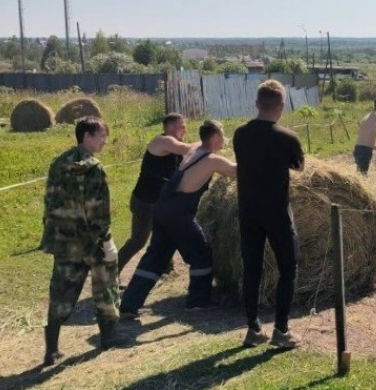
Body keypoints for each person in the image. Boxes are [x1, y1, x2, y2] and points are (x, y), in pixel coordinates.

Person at [120, 120, 236, 317]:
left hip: (162, 208)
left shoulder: (194, 151)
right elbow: (235, 172)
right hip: (179, 214)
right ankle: (198, 301)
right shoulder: (211, 160)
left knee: (155, 257)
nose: (224, 139)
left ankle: (128, 305)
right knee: (201, 252)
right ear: (215, 137)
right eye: (222, 135)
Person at [39, 116, 129, 366]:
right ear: (87, 136)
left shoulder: (58, 163)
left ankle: (51, 349)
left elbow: (50, 201)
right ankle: (109, 336)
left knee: (61, 292)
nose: (104, 141)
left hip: (64, 240)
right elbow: (97, 209)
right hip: (91, 241)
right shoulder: (93, 167)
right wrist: (103, 239)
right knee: (106, 286)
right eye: (101, 136)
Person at [234, 79, 305, 349]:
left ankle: (253, 329)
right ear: (281, 106)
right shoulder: (287, 137)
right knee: (288, 267)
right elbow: (299, 167)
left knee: (251, 269)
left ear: (257, 104)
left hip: (248, 211)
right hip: (277, 212)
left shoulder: (240, 134)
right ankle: (281, 330)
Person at [117, 113, 199, 279]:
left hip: (159, 202)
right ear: (170, 128)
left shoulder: (175, 148)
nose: (185, 129)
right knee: (138, 241)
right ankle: (110, 276)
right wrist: (208, 140)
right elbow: (188, 149)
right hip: (145, 202)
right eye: (181, 126)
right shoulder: (163, 141)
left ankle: (166, 270)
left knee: (166, 234)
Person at [353, 96, 376, 174]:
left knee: (360, 174)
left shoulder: (368, 115)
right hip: (364, 150)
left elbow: (365, 136)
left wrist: (375, 147)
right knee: (362, 175)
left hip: (358, 148)